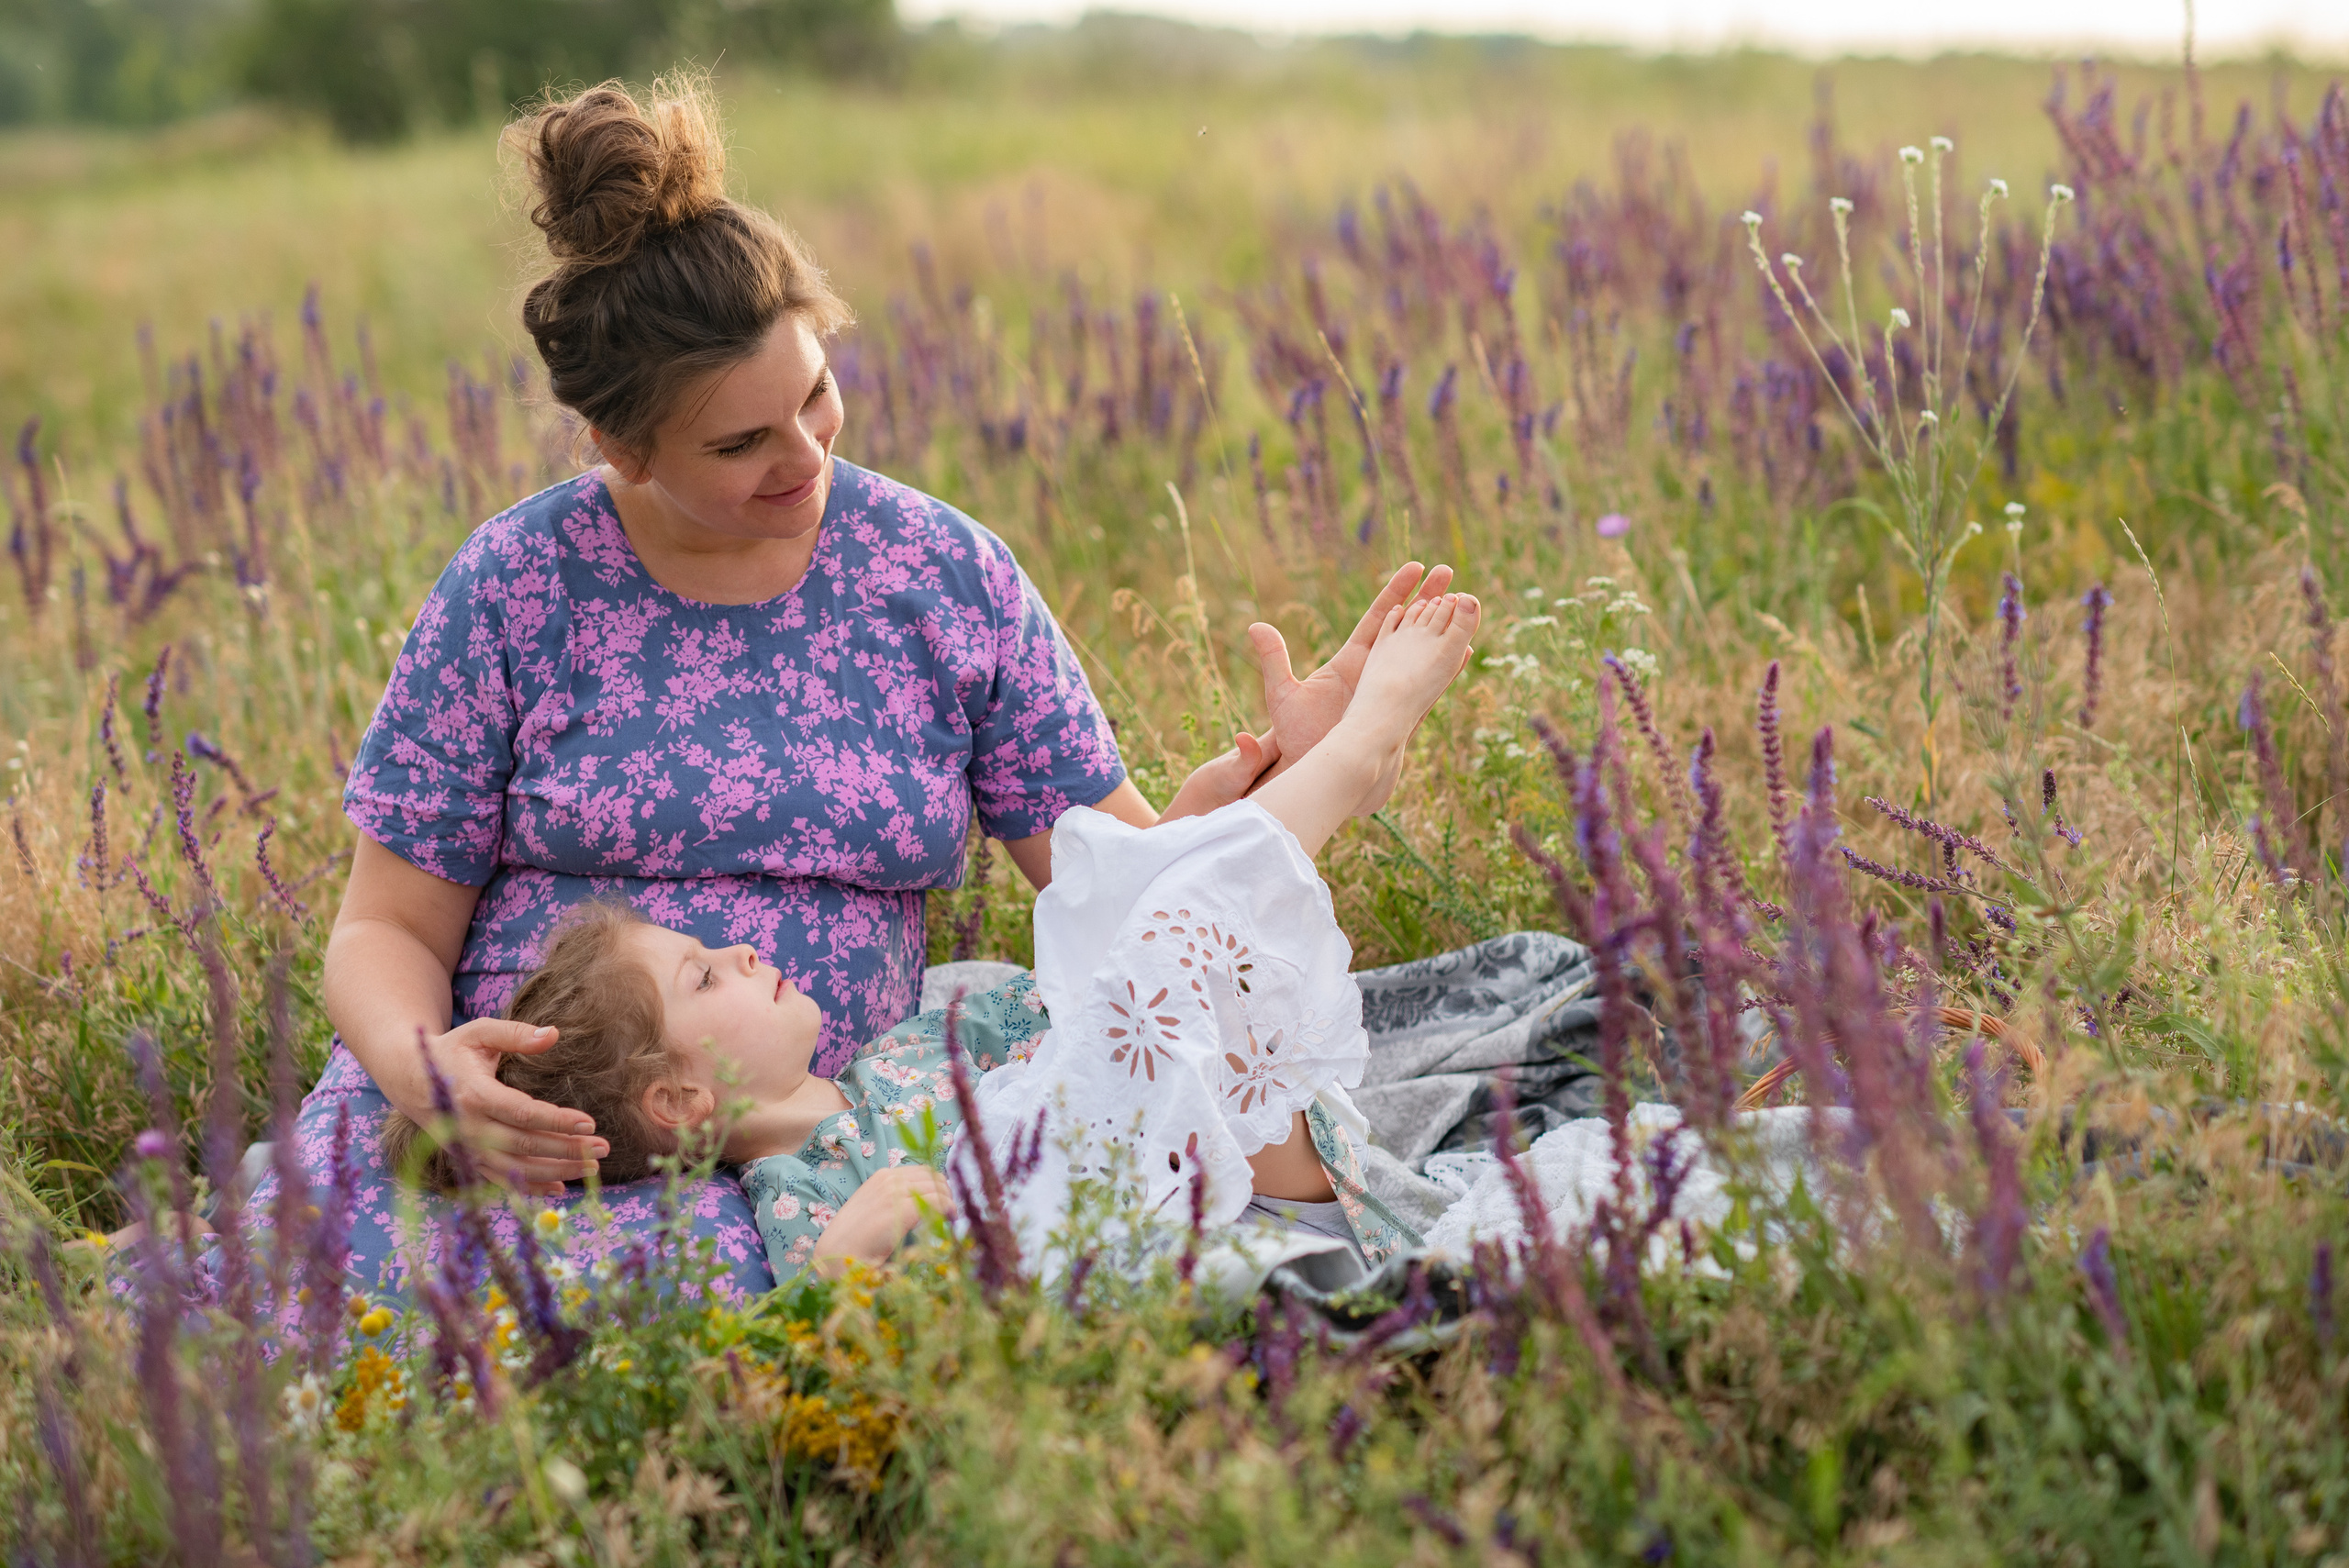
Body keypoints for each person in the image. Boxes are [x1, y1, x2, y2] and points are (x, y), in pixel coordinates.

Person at [261, 75, 1461, 1297]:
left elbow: (1120, 895)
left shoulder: (940, 575)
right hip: (521, 1153)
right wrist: (429, 1074)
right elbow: (386, 927)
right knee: (435, 1331)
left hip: (850, 1144)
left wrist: (1308, 778)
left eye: (816, 393)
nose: (809, 457)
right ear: (622, 448)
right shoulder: (517, 584)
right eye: (741, 445)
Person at [384, 594, 1482, 1285]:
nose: (749, 952)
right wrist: (852, 1250)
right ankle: (1359, 748)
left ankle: (1301, 781)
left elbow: (1103, 997)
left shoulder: (908, 1039)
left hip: (1226, 1128)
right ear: (679, 1100)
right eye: (706, 972)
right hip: (1176, 1195)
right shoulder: (802, 1189)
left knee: (1109, 923)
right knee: (1123, 989)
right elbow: (831, 1322)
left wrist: (1199, 817)